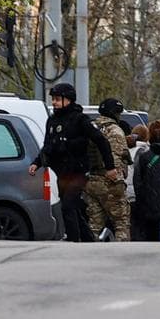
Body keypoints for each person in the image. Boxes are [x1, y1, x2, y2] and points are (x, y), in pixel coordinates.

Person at [28, 83, 117, 243]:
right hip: (61, 171)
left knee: (68, 205)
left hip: (78, 171)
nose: (53, 103)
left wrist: (110, 167)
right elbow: (48, 146)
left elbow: (100, 140)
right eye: (53, 99)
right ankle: (89, 240)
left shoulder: (79, 119)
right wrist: (37, 163)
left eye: (57, 99)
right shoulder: (52, 121)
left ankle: (73, 241)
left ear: (68, 100)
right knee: (72, 206)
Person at [85, 98, 132, 242]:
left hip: (90, 180)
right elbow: (117, 156)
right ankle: (121, 255)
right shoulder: (115, 130)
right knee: (121, 222)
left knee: (94, 224)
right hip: (110, 181)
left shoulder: (90, 127)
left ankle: (88, 253)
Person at [126, 124, 149, 239]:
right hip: (137, 193)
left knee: (130, 224)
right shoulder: (144, 151)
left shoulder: (125, 149)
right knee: (140, 225)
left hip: (125, 192)